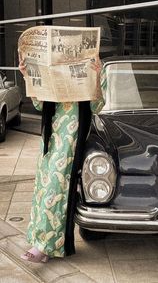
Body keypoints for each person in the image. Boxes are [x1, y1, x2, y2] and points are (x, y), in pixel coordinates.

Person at [18, 57, 105, 263]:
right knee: (43, 189)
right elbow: (39, 104)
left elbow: (98, 105)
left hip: (71, 142)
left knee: (58, 191)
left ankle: (46, 246)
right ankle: (42, 243)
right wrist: (28, 76)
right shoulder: (53, 75)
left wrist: (97, 75)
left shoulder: (86, 75)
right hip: (50, 139)